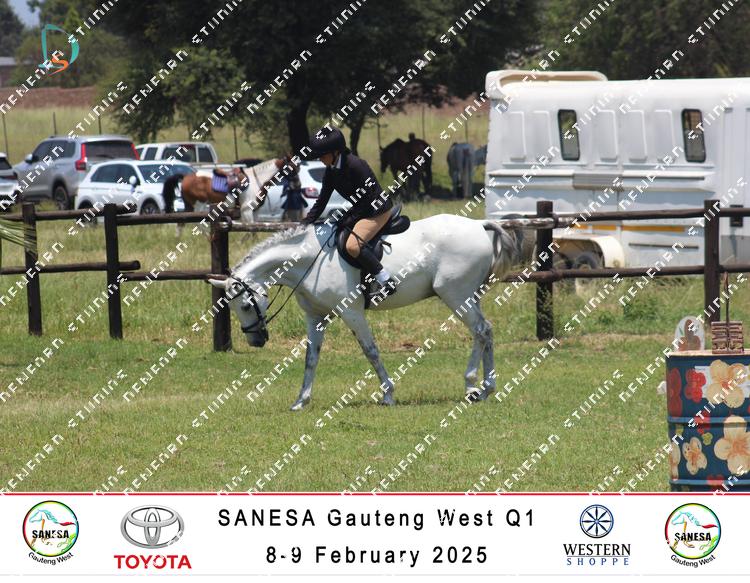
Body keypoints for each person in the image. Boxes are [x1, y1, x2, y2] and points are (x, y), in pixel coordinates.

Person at [301, 126, 397, 298]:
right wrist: (306, 222)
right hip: (362, 209)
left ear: (335, 152)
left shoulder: (356, 165)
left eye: (322, 155)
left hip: (377, 210)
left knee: (352, 246)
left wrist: (350, 218)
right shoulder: (331, 171)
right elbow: (322, 201)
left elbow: (368, 198)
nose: (320, 159)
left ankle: (385, 280)